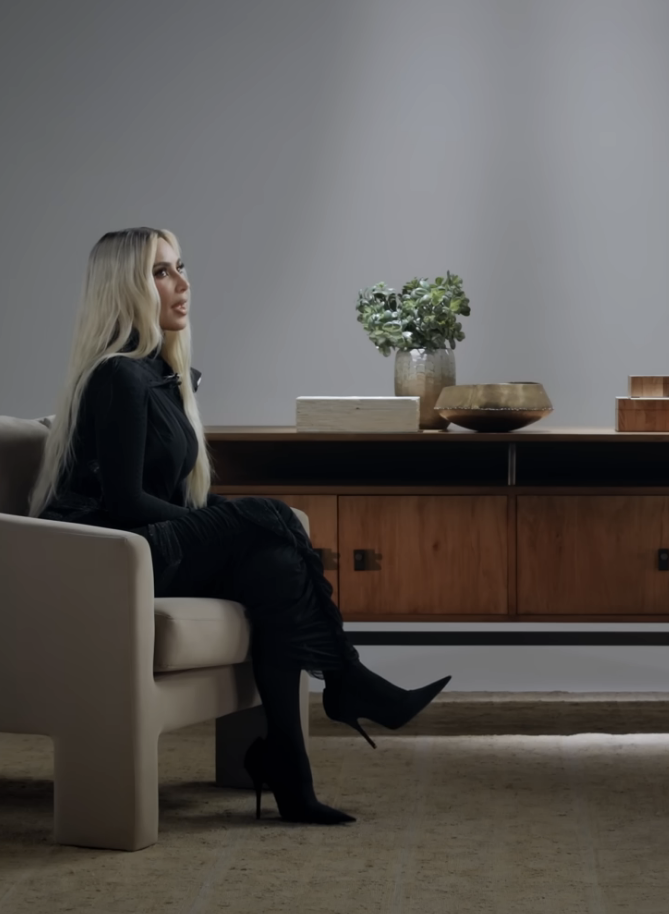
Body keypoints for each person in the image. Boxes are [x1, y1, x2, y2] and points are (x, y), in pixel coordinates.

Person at [30, 226, 449, 825]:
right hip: (113, 553)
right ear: (123, 289)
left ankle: (292, 766)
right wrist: (233, 519)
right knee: (271, 519)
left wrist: (231, 518)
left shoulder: (161, 374)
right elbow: (125, 501)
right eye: (160, 272)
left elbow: (175, 494)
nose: (182, 283)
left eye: (180, 267)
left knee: (276, 557)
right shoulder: (118, 376)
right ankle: (345, 685)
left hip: (147, 545)